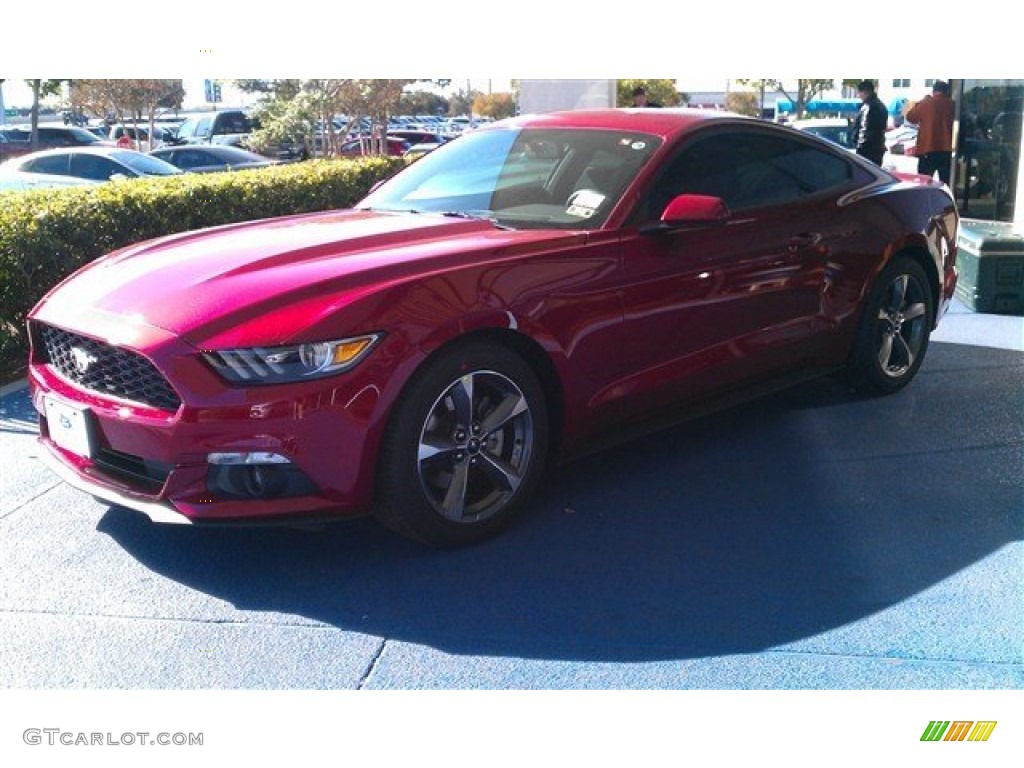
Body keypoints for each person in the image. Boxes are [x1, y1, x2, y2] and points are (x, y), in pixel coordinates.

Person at [906, 80, 955, 184]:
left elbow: (910, 117)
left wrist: (920, 103)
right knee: (945, 182)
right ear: (947, 92)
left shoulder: (926, 104)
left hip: (927, 149)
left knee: (924, 183)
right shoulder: (952, 105)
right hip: (946, 150)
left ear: (933, 91)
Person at [852, 80, 888, 166]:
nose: (859, 96)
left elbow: (864, 131)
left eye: (859, 93)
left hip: (866, 151)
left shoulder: (868, 107)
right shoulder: (881, 106)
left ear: (864, 92)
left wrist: (859, 148)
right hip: (878, 148)